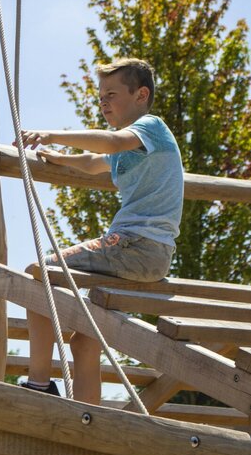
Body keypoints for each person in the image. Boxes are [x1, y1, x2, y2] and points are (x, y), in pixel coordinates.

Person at [15, 57, 184, 404]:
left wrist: (50, 133)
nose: (103, 101)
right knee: (85, 340)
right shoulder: (132, 147)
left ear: (141, 95)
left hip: (135, 244)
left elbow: (109, 144)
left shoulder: (150, 126)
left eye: (111, 93)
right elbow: (97, 162)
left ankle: (39, 381)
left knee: (39, 274)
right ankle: (88, 421)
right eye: (100, 95)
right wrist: (61, 158)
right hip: (148, 253)